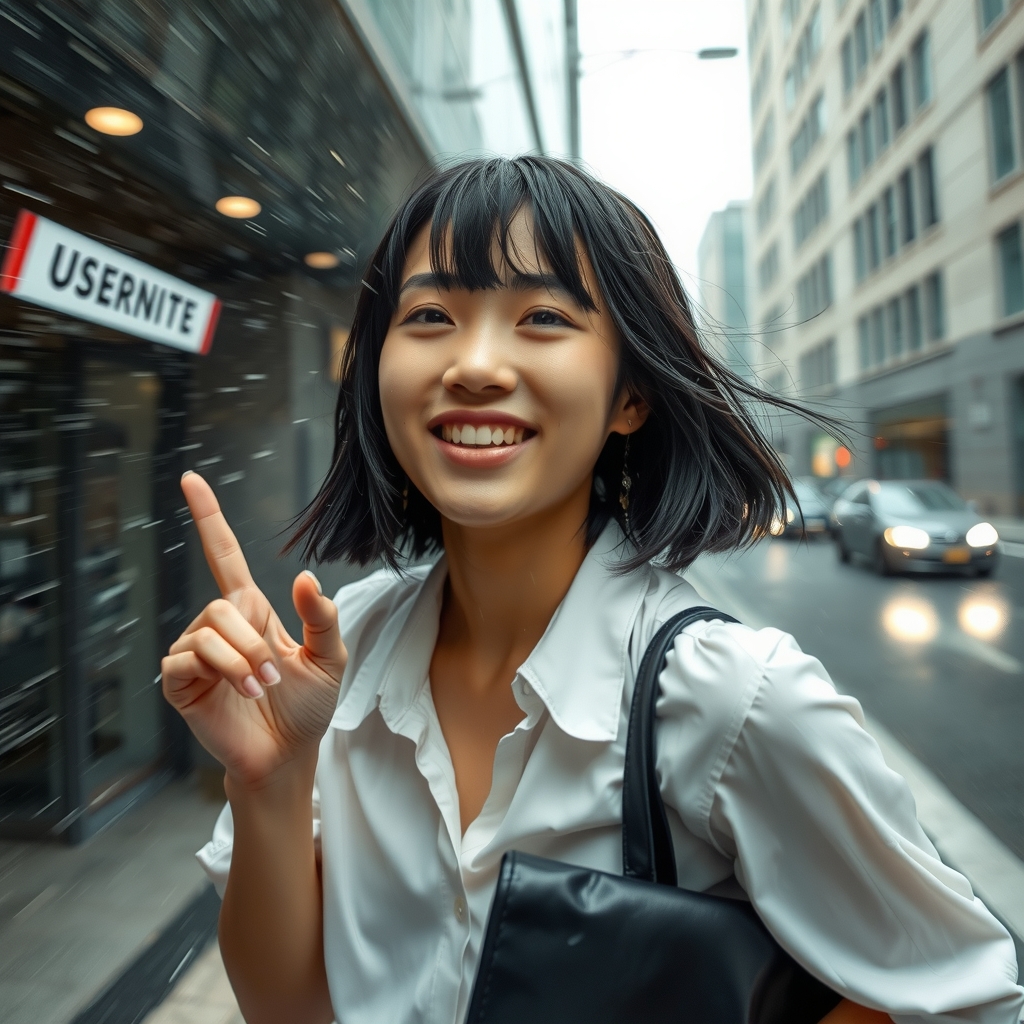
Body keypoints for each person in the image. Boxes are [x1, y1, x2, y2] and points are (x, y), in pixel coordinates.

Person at [163, 157, 1023, 1024]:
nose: (476, 365)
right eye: (429, 316)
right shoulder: (337, 655)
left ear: (632, 396)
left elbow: (963, 1000)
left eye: (542, 316)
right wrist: (270, 778)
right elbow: (289, 1009)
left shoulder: (732, 696)